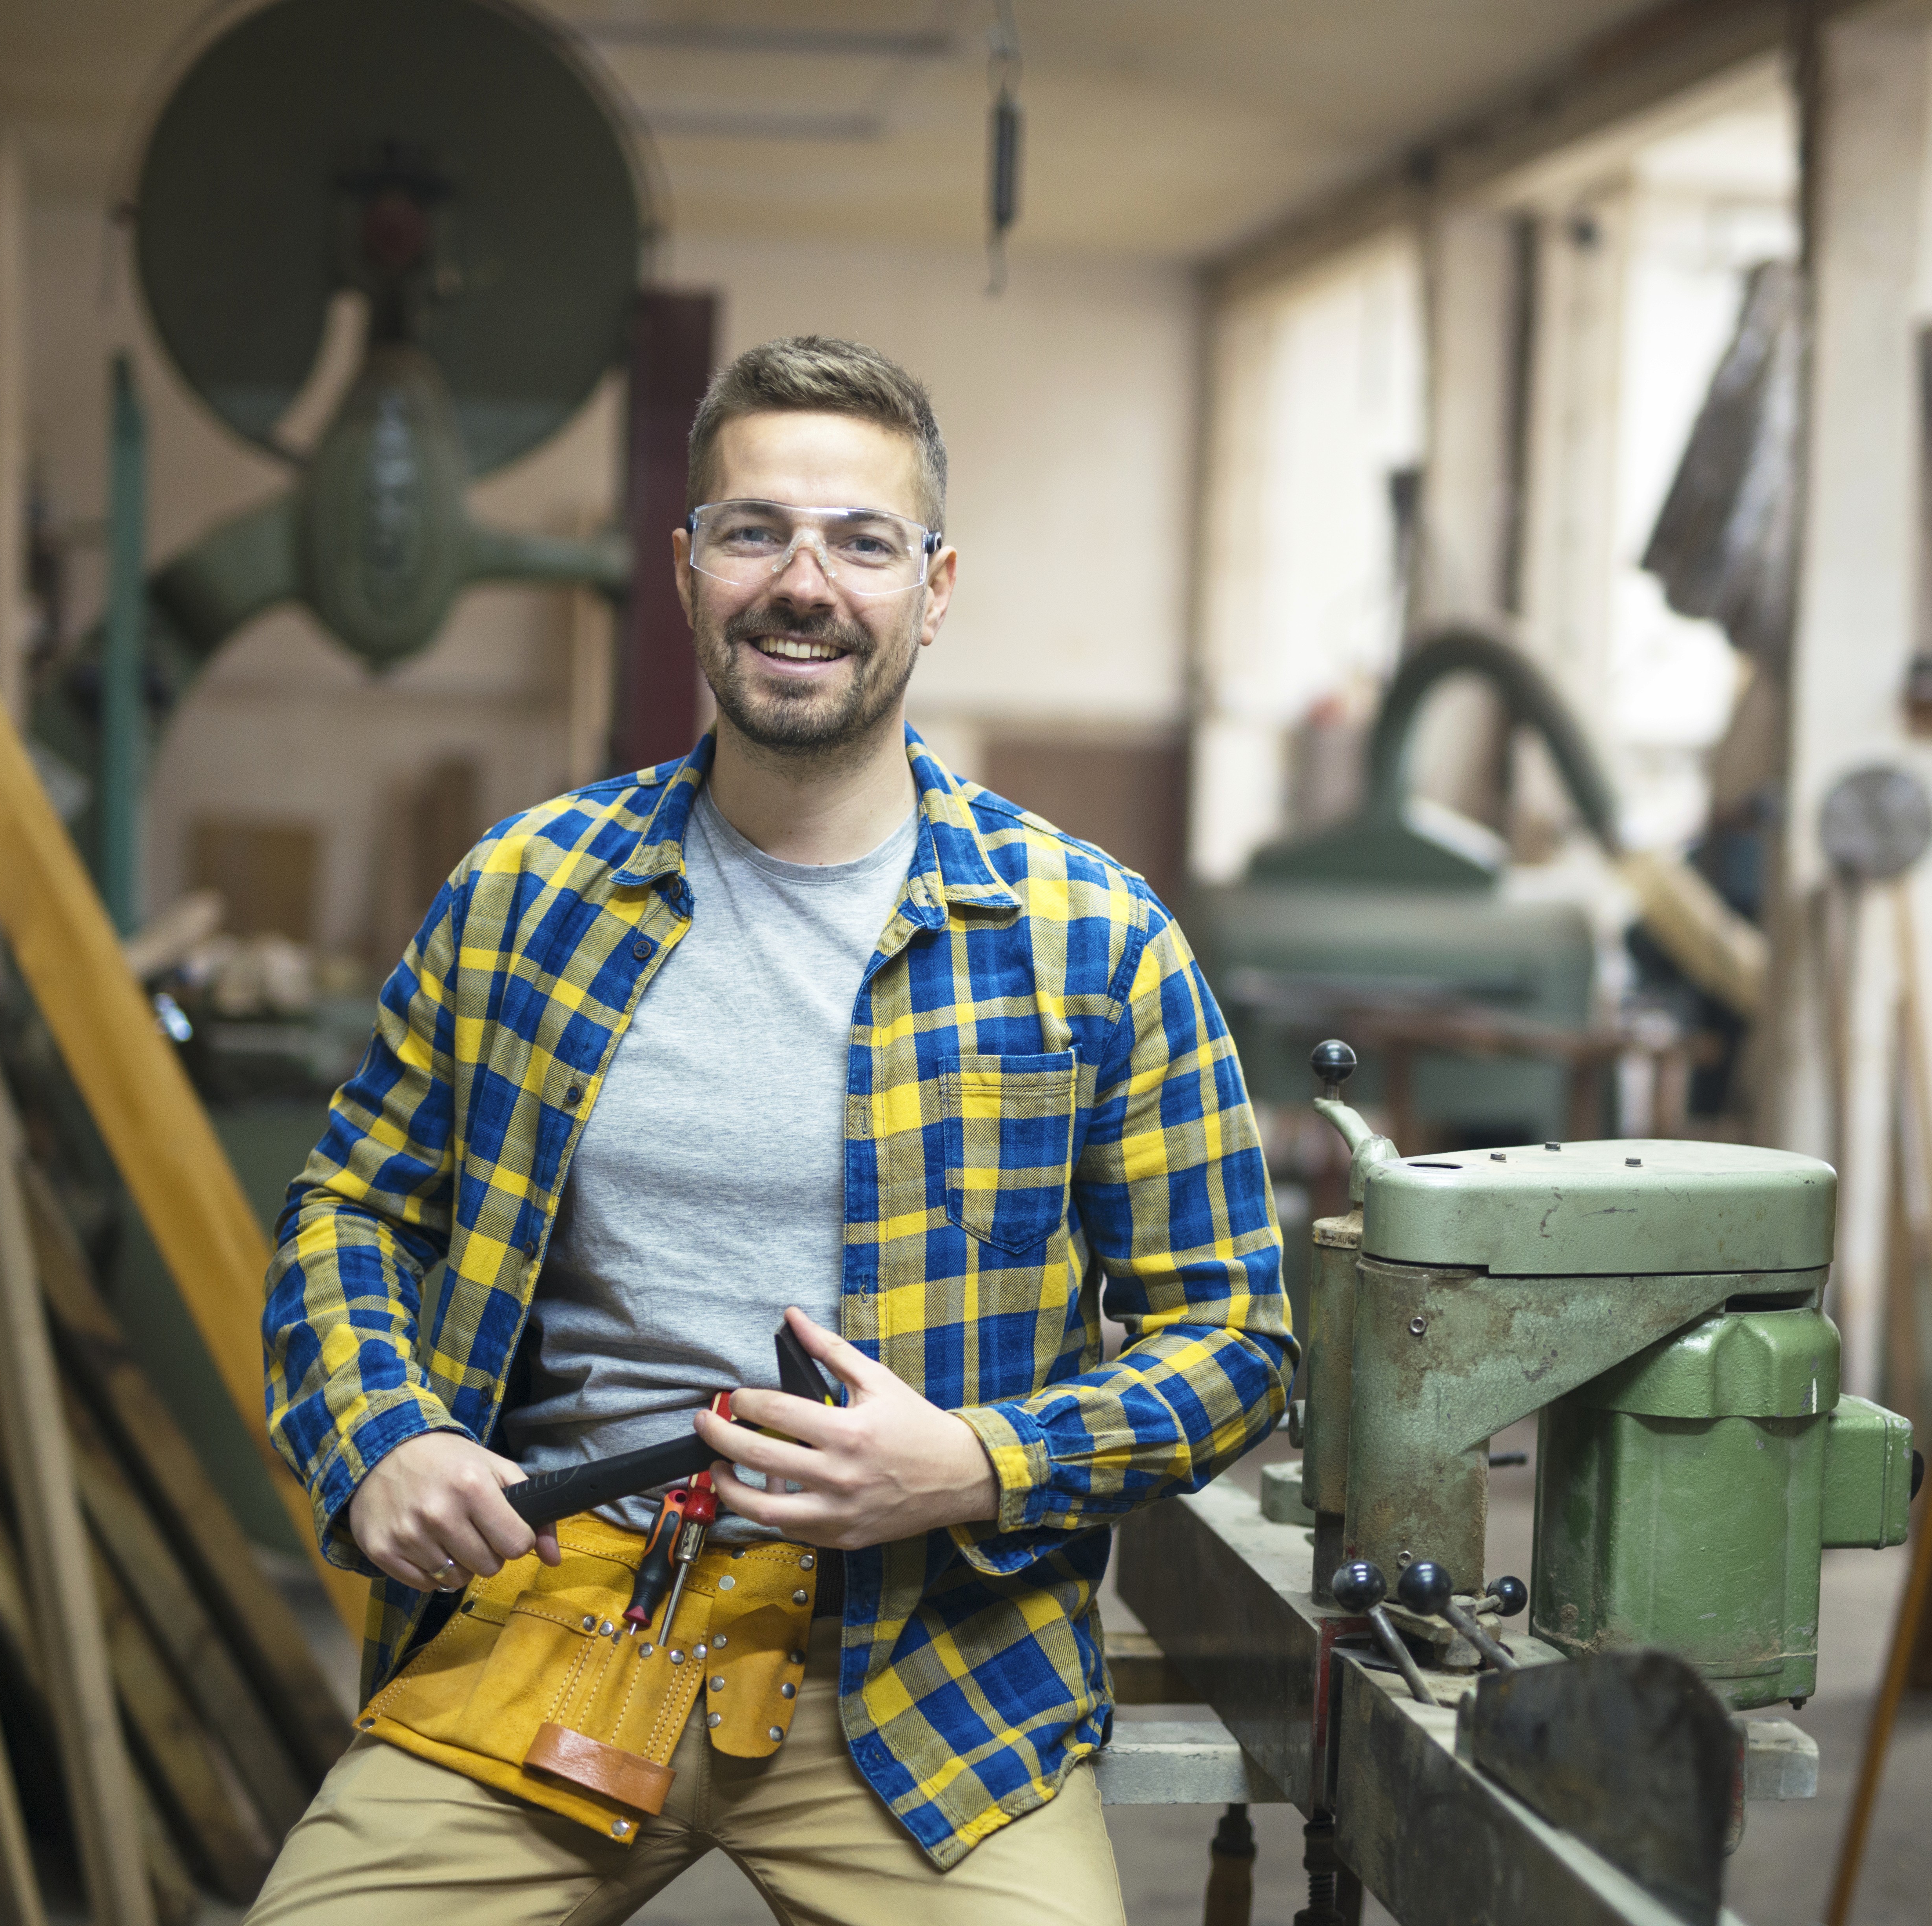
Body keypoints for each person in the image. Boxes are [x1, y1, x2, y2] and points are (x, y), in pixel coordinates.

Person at [251, 334, 1291, 1924]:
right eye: (754, 532)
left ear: (933, 588)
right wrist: (383, 1428)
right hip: (562, 1604)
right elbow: (351, 1210)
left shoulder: (1091, 935)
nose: (802, 582)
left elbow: (1233, 1333)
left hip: (929, 1664)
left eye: (861, 542)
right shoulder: (528, 895)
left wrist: (978, 1461)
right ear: (686, 568)